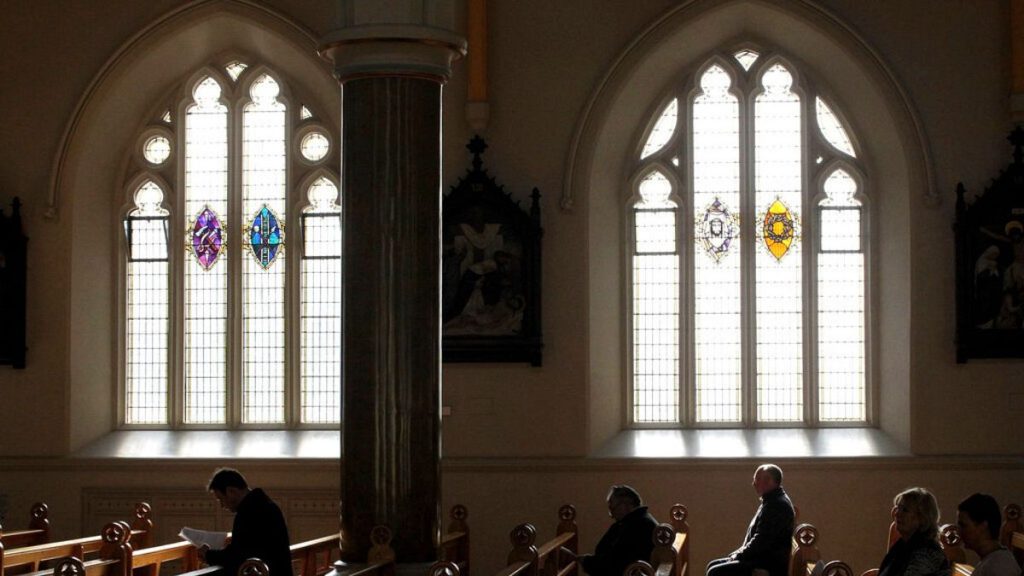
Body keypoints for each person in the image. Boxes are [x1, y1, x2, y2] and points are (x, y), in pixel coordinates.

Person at [199, 468, 293, 576]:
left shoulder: (250, 511)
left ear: (231, 491)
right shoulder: (262, 504)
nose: (222, 505)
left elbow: (237, 557)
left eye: (221, 499)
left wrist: (208, 555)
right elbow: (249, 548)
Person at [706, 464, 795, 576]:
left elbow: (761, 541)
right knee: (712, 565)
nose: (754, 483)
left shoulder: (776, 505)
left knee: (715, 572)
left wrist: (738, 555)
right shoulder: (772, 500)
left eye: (757, 479)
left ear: (768, 481)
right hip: (760, 558)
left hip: (767, 564)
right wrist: (738, 553)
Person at [578, 485, 659, 576]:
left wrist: (587, 562)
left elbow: (616, 563)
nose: (611, 515)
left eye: (612, 509)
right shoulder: (635, 520)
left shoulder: (638, 526)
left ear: (624, 505)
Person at [877, 487, 950, 576]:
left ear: (922, 517)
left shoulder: (926, 553)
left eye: (905, 510)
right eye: (898, 508)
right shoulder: (904, 545)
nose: (897, 513)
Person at [956, 493, 1020, 576]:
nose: (958, 531)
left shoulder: (999, 567)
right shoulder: (991, 560)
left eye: (963, 526)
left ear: (983, 526)